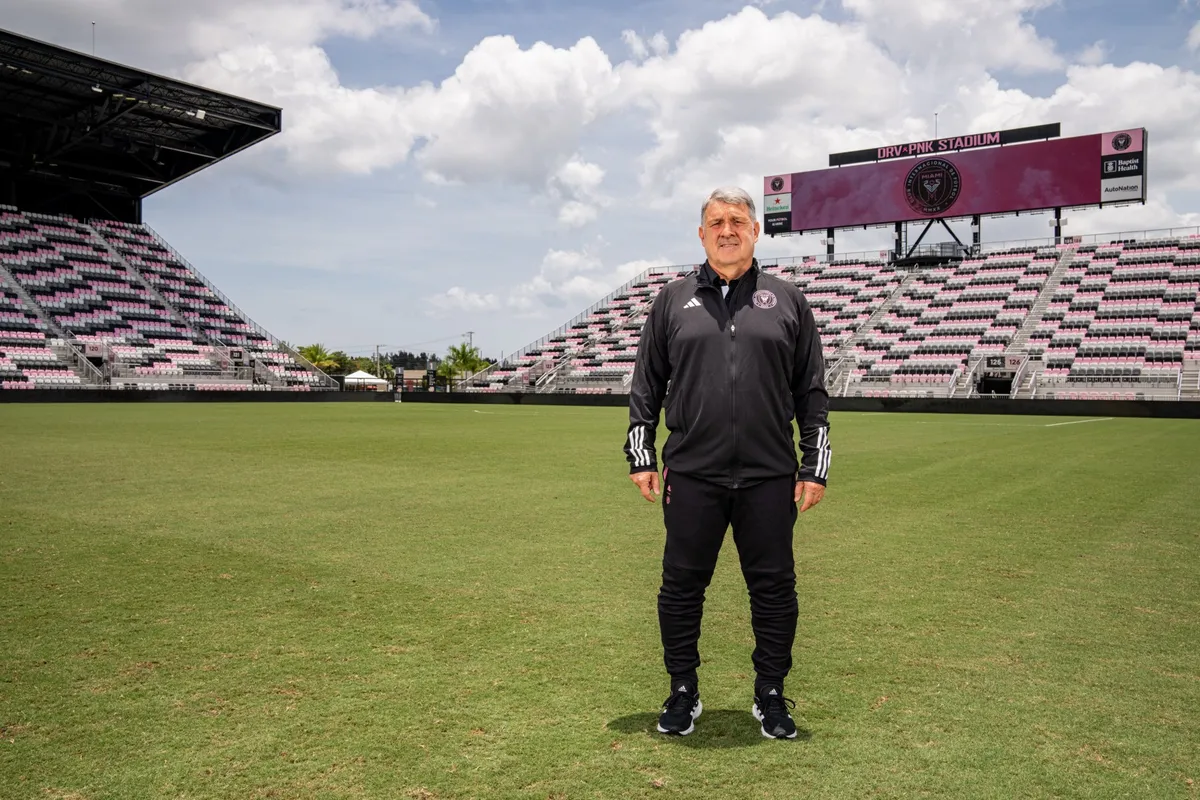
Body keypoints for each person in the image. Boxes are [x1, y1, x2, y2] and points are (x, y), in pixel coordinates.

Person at [623, 186, 830, 739]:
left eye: (738, 220)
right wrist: (640, 453)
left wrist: (814, 464)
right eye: (716, 221)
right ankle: (682, 691)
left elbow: (811, 391)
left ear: (756, 230)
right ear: (701, 233)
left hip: (769, 476)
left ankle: (771, 694)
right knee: (681, 588)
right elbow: (647, 386)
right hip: (692, 474)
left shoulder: (787, 300)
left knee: (774, 589)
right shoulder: (672, 301)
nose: (727, 229)